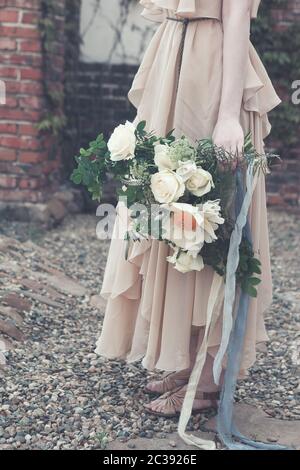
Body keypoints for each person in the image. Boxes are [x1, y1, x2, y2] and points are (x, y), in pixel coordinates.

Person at [95, 0, 281, 417]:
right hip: (174, 62)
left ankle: (208, 379)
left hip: (208, 73)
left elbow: (235, 18)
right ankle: (185, 359)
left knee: (201, 215)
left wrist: (229, 116)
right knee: (168, 209)